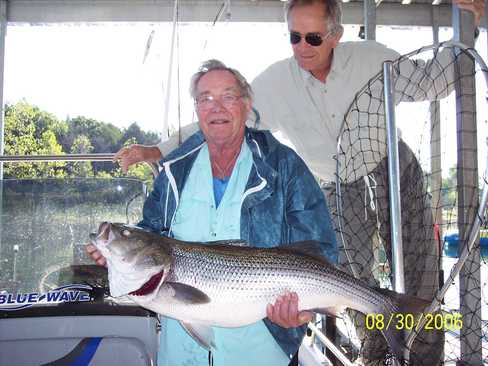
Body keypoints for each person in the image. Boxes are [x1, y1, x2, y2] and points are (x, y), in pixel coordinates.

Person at [113, 1, 484, 364]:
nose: (302, 47)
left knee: (421, 266)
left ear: (336, 35)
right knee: (349, 273)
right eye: (294, 37)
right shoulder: (274, 82)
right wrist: (157, 150)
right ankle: (377, 350)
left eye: (313, 37)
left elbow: (432, 81)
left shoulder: (374, 58)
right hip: (336, 183)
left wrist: (471, 25)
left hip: (391, 164)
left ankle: (425, 356)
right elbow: (218, 116)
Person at [88, 59, 337, 366]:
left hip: (261, 350)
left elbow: (318, 250)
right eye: (205, 98)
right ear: (197, 110)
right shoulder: (174, 171)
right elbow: (151, 231)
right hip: (181, 353)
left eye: (228, 97)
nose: (216, 107)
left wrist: (302, 312)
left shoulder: (283, 166)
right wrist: (114, 252)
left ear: (247, 105)